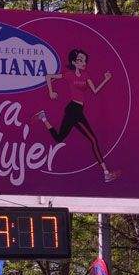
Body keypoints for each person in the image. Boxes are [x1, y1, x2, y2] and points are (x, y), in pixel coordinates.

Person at [35, 48, 119, 183]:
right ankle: (106, 173)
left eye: (84, 60)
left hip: (76, 110)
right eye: (80, 60)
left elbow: (95, 91)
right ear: (74, 62)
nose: (83, 62)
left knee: (59, 138)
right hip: (74, 110)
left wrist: (106, 79)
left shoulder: (86, 75)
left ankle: (43, 117)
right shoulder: (69, 75)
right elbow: (48, 76)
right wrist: (51, 92)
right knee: (93, 140)